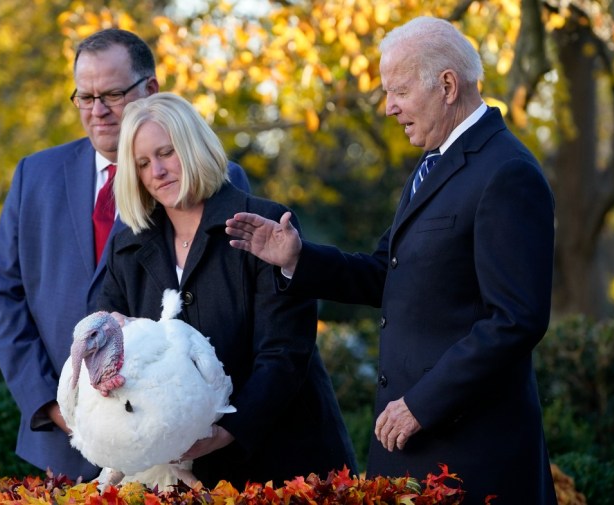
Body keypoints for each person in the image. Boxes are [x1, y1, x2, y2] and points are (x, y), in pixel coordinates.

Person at [226, 16, 557, 504]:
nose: (388, 108)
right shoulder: (434, 165)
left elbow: (515, 320)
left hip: (471, 460)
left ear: (447, 85)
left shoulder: (506, 171)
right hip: (414, 455)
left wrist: (421, 405)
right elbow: (387, 273)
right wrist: (297, 258)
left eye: (398, 91)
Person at [0, 29, 250, 480]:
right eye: (84, 97)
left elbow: (234, 311)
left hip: (178, 448)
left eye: (111, 93)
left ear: (150, 88)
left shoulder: (210, 178)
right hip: (63, 444)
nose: (97, 111)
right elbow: (7, 302)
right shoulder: (34, 175)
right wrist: (55, 405)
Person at [97, 92, 358, 487]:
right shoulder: (127, 247)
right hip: (177, 476)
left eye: (167, 153)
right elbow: (100, 330)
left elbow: (284, 351)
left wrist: (229, 431)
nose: (158, 171)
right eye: (143, 163)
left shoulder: (263, 223)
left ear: (192, 146)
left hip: (283, 466)